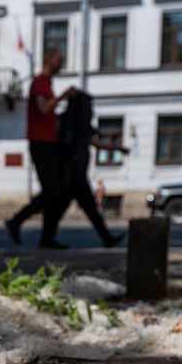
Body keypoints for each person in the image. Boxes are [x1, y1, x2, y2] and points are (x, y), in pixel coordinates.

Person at [4, 48, 76, 249]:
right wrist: (63, 96)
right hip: (40, 142)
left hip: (49, 143)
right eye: (58, 59)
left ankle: (46, 237)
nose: (61, 63)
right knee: (53, 190)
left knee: (56, 191)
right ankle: (17, 221)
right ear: (48, 59)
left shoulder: (47, 84)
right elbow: (43, 109)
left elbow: (48, 113)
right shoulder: (39, 83)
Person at [56, 90, 129, 248]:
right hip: (75, 175)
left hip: (77, 174)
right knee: (79, 207)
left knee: (65, 207)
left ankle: (106, 237)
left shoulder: (77, 124)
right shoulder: (71, 124)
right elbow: (68, 148)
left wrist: (117, 148)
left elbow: (96, 142)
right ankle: (106, 237)